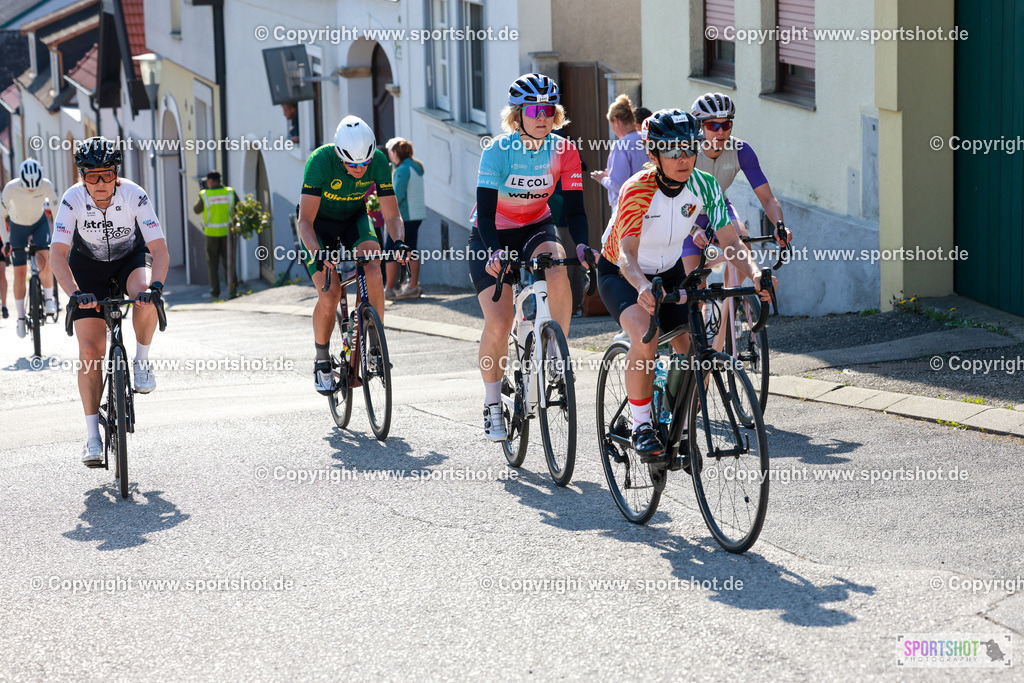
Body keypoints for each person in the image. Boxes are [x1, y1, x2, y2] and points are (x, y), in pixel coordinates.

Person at [597, 109, 776, 459]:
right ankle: (642, 425)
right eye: (673, 151)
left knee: (694, 347)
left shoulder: (704, 185)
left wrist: (755, 274)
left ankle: (671, 413)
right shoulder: (637, 190)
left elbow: (731, 242)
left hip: (669, 270)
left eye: (689, 149)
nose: (684, 158)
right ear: (653, 154)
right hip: (622, 273)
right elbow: (626, 257)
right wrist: (642, 287)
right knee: (645, 335)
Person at [469, 72, 589, 441]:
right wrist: (493, 251)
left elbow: (577, 212)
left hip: (537, 226)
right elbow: (486, 215)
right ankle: (492, 404)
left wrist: (584, 246)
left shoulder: (564, 150)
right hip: (492, 233)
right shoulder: (498, 150)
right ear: (517, 115)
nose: (542, 116)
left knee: (557, 265)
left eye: (549, 109)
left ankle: (555, 352)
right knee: (501, 322)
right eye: (534, 109)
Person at [49, 137, 169, 466]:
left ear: (116, 173)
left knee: (144, 296)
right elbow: (57, 256)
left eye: (107, 175)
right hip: (87, 272)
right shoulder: (71, 200)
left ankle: (142, 362)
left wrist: (156, 287)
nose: (100, 184)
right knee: (90, 352)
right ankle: (91, 436)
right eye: (91, 176)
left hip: (128, 261)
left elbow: (159, 250)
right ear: (81, 176)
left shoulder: (134, 195)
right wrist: (75, 294)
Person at [297, 115, 409, 395]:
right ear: (339, 154)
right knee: (331, 293)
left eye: (364, 163)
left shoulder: (379, 162)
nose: (360, 169)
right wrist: (319, 253)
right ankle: (322, 358)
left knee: (373, 267)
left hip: (354, 220)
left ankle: (375, 345)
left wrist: (398, 242)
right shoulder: (321, 161)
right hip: (318, 228)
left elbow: (392, 214)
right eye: (352, 164)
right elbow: (304, 223)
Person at [687, 92, 790, 263]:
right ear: (700, 126)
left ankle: (735, 287)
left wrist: (780, 226)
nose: (721, 132)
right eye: (713, 126)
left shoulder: (741, 150)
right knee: (693, 284)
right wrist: (692, 229)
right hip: (686, 213)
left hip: (718, 207)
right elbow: (670, 197)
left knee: (742, 247)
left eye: (726, 125)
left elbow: (767, 198)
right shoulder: (688, 152)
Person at [0, 159, 60, 336]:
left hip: (39, 223)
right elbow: (1, 215)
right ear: (21, 180)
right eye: (28, 187)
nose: (33, 189)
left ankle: (49, 299)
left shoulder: (46, 185)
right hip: (17, 226)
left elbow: (56, 211)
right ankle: (20, 317)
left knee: (44, 259)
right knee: (19, 273)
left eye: (36, 187)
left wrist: (58, 236)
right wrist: (6, 242)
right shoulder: (11, 188)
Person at [591, 94, 647, 245]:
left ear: (615, 120)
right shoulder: (646, 139)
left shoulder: (621, 145)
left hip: (627, 208)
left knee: (611, 250)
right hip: (651, 204)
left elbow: (618, 185)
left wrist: (602, 178)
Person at [383, 137, 425, 300]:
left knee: (390, 251)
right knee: (411, 250)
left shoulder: (402, 170)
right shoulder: (415, 166)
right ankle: (413, 286)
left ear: (394, 153)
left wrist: (382, 204)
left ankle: (389, 289)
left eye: (389, 153)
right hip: (416, 215)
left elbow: (396, 195)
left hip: (404, 216)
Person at [192, 171, 239, 299]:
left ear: (211, 181)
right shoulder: (230, 192)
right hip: (228, 233)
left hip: (212, 235)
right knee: (229, 261)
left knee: (212, 264)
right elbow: (239, 207)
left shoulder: (205, 195)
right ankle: (233, 290)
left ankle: (215, 292)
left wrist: (201, 192)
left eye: (207, 180)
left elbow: (196, 210)